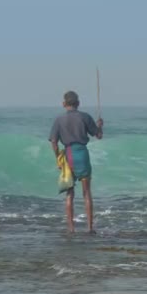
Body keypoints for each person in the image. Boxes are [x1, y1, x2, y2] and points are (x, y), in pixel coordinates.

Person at [49, 91, 103, 233]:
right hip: (82, 155)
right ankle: (90, 228)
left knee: (69, 194)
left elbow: (54, 142)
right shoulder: (85, 117)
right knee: (86, 193)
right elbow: (98, 136)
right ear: (78, 103)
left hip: (68, 156)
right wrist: (100, 126)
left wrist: (57, 158)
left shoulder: (58, 120)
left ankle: (71, 229)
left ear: (64, 103)